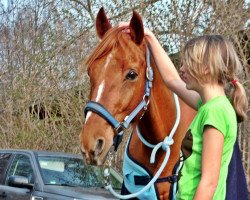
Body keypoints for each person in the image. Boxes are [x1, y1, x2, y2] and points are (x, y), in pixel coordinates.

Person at [120, 23, 248, 199]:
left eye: (187, 63)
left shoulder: (215, 112)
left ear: (206, 68)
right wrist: (149, 37)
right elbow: (172, 80)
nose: (181, 69)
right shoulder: (210, 106)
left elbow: (209, 182)